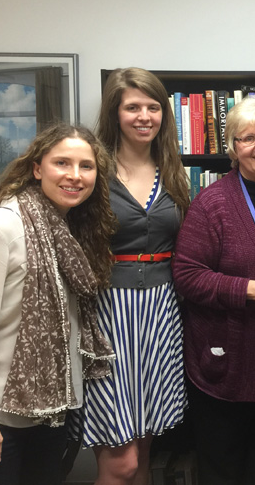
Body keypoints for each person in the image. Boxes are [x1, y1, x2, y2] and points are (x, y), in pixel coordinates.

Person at [0, 123, 116, 485]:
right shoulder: (1, 227)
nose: (75, 176)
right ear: (37, 169)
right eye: (62, 163)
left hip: (52, 413)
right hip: (1, 418)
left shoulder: (71, 231)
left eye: (86, 166)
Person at [173, 97, 255, 484]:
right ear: (232, 147)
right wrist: (250, 290)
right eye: (248, 138)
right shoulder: (211, 203)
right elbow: (186, 275)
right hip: (227, 362)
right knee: (224, 468)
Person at [79, 68, 190, 485]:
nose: (144, 116)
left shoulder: (173, 170)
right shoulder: (93, 169)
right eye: (133, 107)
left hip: (161, 314)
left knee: (143, 449)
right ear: (116, 112)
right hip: (108, 315)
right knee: (121, 461)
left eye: (153, 107)